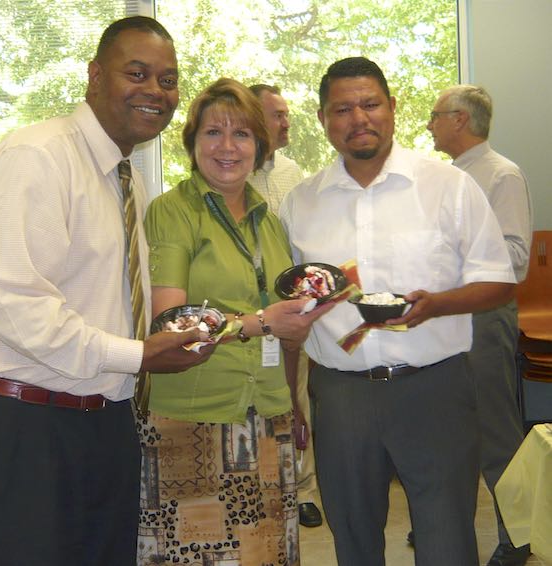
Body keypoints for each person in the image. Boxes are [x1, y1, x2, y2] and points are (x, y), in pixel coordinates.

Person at [0, 16, 215, 566]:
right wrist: (135, 354)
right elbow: (8, 301)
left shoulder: (124, 175)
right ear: (94, 75)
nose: (155, 91)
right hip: (33, 424)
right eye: (136, 72)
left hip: (106, 420)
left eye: (168, 79)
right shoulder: (37, 156)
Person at [279, 56, 516, 566]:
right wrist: (290, 393)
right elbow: (291, 309)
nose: (358, 118)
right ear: (323, 119)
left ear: (392, 108)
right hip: (341, 394)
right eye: (342, 109)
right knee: (354, 535)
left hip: (436, 388)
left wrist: (437, 306)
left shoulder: (448, 187)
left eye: (369, 104)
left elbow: (499, 281)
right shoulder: (301, 203)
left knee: (448, 536)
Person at [137, 77, 332, 566]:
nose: (228, 147)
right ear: (192, 142)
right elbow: (172, 323)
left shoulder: (269, 220)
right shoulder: (174, 211)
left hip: (269, 413)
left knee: (267, 552)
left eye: (242, 134)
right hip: (195, 414)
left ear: (260, 146)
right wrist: (261, 322)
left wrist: (293, 403)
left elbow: (287, 329)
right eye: (212, 133)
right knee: (196, 556)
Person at [427, 84, 532, 566]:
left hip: (485, 319)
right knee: (450, 429)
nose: (429, 124)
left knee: (495, 431)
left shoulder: (500, 175)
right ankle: (451, 525)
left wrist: (447, 263)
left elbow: (515, 261)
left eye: (435, 116)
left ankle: (519, 536)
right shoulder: (448, 178)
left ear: (459, 120)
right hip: (447, 318)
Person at [248, 83, 323, 528]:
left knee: (297, 398)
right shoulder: (231, 169)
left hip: (291, 308)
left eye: (286, 113)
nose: (286, 122)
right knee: (257, 398)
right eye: (277, 114)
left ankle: (304, 490)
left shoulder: (294, 173)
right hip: (247, 311)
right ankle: (261, 486)